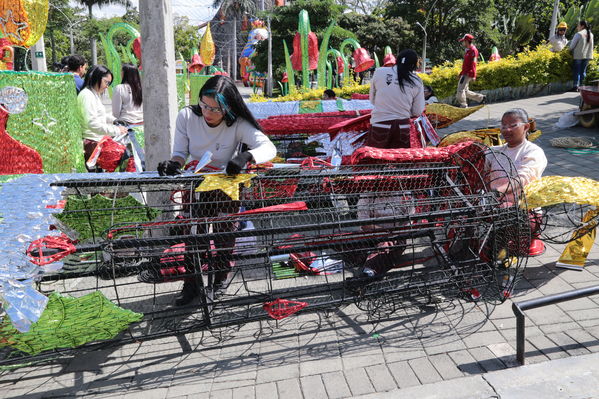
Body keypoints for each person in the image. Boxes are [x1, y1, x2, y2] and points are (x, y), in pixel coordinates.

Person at [157, 75, 276, 306]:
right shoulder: (187, 116)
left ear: (228, 107)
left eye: (215, 109)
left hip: (227, 184)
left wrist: (245, 156)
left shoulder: (238, 123)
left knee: (225, 234)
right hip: (197, 183)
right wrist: (173, 164)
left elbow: (268, 147)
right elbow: (180, 153)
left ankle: (219, 279)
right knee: (193, 234)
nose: (208, 113)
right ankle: (192, 284)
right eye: (204, 105)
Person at [368, 48, 425, 148]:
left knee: (375, 161)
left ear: (397, 59)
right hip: (402, 127)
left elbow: (372, 99)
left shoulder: (379, 72)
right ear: (414, 64)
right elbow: (417, 111)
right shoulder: (417, 81)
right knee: (398, 161)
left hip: (379, 125)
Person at [77, 65, 127, 169]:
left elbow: (101, 115)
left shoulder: (93, 94)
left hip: (97, 141)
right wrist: (117, 130)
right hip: (92, 144)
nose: (107, 86)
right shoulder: (87, 95)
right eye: (106, 82)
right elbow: (92, 124)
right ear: (96, 77)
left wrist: (115, 121)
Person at [456, 34, 486, 108]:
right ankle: (481, 98)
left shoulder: (473, 50)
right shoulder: (468, 50)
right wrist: (461, 73)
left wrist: (473, 75)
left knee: (460, 90)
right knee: (465, 91)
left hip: (468, 73)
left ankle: (463, 105)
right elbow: (465, 64)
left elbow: (474, 63)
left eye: (463, 41)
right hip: (464, 73)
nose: (462, 43)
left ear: (467, 41)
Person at [569, 20, 594, 90]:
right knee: (583, 71)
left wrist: (568, 50)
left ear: (582, 26)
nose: (577, 27)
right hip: (588, 55)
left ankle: (575, 86)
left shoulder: (578, 34)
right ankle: (582, 87)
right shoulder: (591, 34)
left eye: (578, 25)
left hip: (579, 55)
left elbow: (571, 46)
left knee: (577, 71)